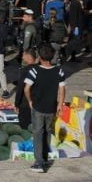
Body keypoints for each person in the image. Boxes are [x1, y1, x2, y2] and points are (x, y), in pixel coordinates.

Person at [24, 44, 65, 173]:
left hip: (38, 107)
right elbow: (62, 89)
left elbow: (26, 88)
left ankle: (39, 163)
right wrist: (60, 104)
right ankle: (45, 159)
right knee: (47, 132)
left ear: (39, 58)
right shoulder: (59, 71)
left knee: (37, 133)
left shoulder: (34, 71)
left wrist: (30, 100)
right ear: (52, 57)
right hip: (51, 107)